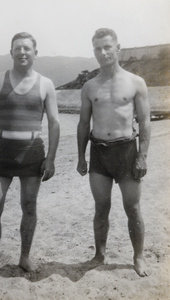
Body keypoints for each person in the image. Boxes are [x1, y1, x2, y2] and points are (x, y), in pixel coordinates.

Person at [0, 32, 60, 287]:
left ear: (35, 52)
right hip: (1, 151)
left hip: (33, 151)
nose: (22, 52)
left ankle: (24, 257)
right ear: (11, 52)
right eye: (17, 48)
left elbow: (54, 123)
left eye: (27, 48)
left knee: (29, 207)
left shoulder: (46, 84)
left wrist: (51, 158)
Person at [77, 28, 151, 277]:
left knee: (133, 208)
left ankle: (138, 257)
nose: (103, 52)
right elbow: (83, 124)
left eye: (108, 47)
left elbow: (145, 122)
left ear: (118, 48)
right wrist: (80, 157)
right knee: (101, 208)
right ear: (94, 52)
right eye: (98, 48)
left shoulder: (135, 82)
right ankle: (99, 255)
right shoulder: (89, 86)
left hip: (127, 151)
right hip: (99, 152)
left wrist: (142, 155)